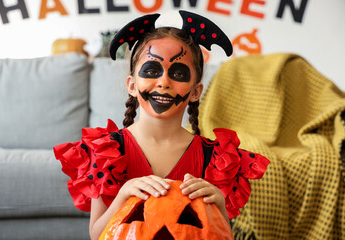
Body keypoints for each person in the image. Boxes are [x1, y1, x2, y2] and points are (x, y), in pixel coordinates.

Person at [53, 11, 269, 240]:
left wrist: (219, 204)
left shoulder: (214, 158)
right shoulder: (107, 153)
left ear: (195, 92)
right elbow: (97, 236)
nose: (164, 81)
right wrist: (124, 195)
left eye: (178, 73)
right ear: (132, 85)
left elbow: (218, 234)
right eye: (152, 71)